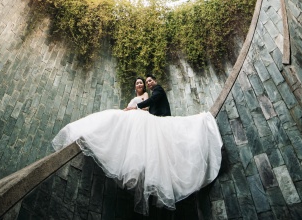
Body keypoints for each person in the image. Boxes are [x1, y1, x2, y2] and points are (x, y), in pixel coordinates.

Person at [52, 76, 222, 216]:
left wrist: (135, 108)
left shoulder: (156, 91)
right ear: (135, 87)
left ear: (153, 83)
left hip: (152, 121)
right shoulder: (142, 96)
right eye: (141, 82)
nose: (145, 84)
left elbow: (149, 104)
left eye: (147, 81)